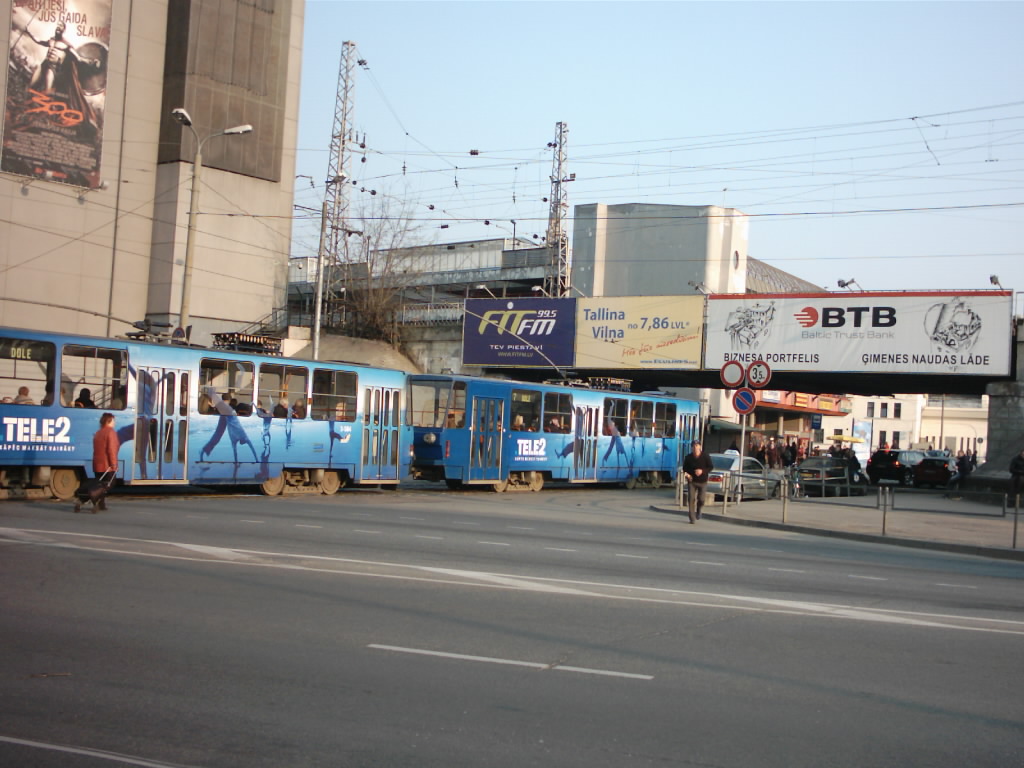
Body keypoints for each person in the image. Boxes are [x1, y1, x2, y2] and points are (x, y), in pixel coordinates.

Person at [76, 412, 118, 512]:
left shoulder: (98, 432)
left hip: (97, 464)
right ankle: (93, 501)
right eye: (113, 420)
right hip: (106, 464)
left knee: (99, 484)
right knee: (107, 484)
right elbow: (111, 449)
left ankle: (100, 504)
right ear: (109, 421)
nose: (114, 423)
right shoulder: (110, 432)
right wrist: (113, 464)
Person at [682, 440, 714, 524]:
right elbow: (684, 468)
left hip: (703, 481)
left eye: (697, 446)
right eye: (693, 446)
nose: (695, 448)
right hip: (692, 481)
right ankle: (692, 518)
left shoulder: (705, 456)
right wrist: (687, 475)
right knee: (691, 499)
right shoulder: (688, 457)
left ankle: (699, 509)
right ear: (691, 448)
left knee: (701, 499)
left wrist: (702, 471)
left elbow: (710, 467)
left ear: (700, 447)